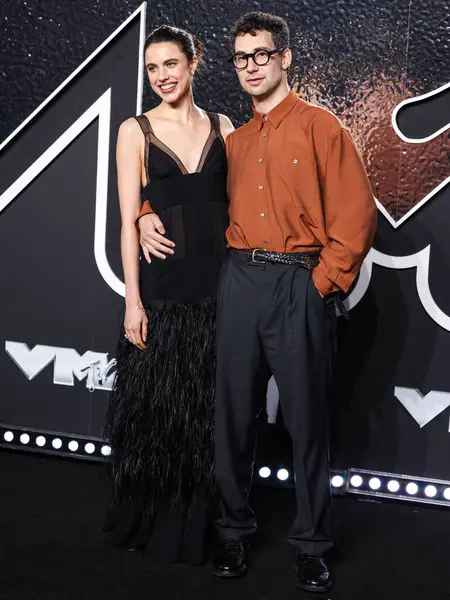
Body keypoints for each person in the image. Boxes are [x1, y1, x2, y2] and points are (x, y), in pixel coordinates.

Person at [137, 11, 377, 593]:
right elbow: (187, 196)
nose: (250, 67)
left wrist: (322, 285)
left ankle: (313, 544)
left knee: (307, 422)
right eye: (241, 57)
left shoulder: (323, 128)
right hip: (238, 281)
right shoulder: (234, 141)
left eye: (261, 55)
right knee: (232, 419)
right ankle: (234, 533)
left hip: (299, 282)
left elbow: (357, 214)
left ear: (285, 57)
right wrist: (145, 216)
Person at [103, 24, 233, 566]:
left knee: (210, 413)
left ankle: (202, 526)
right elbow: (126, 221)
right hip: (161, 291)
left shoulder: (224, 125)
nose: (162, 76)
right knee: (158, 413)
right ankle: (155, 522)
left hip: (221, 289)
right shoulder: (135, 130)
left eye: (171, 64)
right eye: (153, 68)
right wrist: (132, 301)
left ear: (193, 62)